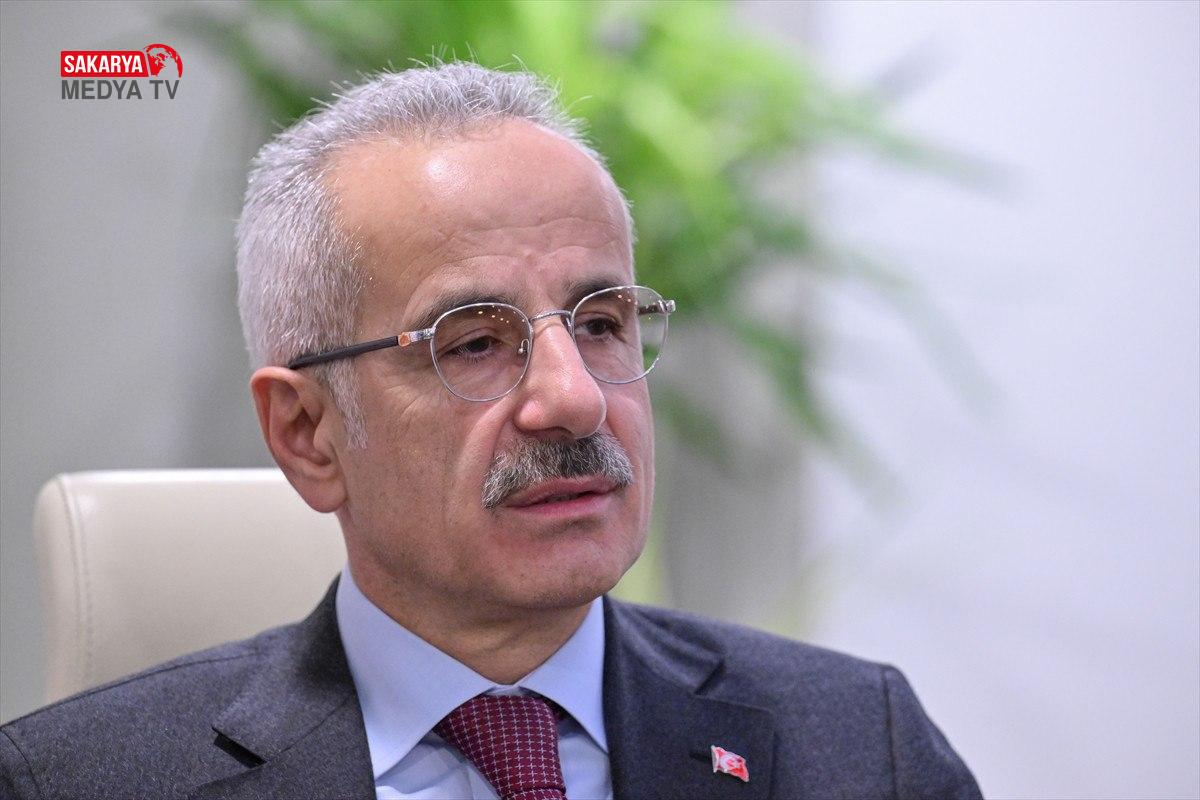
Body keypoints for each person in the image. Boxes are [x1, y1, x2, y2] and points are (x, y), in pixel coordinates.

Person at [0, 62, 981, 799]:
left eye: (601, 323)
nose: (576, 399)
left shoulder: (862, 747)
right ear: (307, 432)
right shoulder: (71, 782)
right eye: (473, 343)